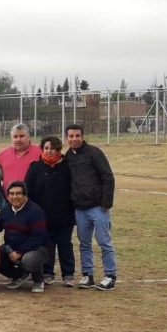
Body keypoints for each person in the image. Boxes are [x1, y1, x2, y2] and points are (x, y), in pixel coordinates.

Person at [64, 124, 117, 291]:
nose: (74, 139)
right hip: (80, 208)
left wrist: (106, 203)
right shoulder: (68, 156)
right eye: (71, 136)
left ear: (82, 136)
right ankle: (88, 274)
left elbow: (108, 177)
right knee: (84, 243)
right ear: (67, 138)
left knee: (104, 242)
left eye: (77, 135)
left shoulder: (95, 153)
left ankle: (110, 275)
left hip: (98, 207)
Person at [25, 136, 75, 287]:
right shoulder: (35, 167)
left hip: (64, 215)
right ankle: (48, 272)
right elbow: (28, 190)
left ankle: (68, 274)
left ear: (59, 150)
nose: (49, 151)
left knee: (65, 244)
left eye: (53, 148)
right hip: (43, 216)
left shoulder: (67, 166)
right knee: (48, 244)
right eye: (46, 148)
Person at [0, 181, 49, 293]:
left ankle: (38, 280)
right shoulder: (5, 209)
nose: (14, 197)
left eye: (18, 193)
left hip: (36, 249)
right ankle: (19, 275)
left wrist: (19, 252)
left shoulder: (35, 211)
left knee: (29, 259)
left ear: (25, 195)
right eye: (11, 194)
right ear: (7, 196)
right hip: (11, 248)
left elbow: (38, 237)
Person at [0, 123, 42, 196]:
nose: (18, 139)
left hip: (34, 199)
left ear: (28, 136)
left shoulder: (41, 152)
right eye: (15, 137)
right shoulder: (2, 155)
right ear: (11, 138)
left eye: (21, 136)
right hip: (10, 200)